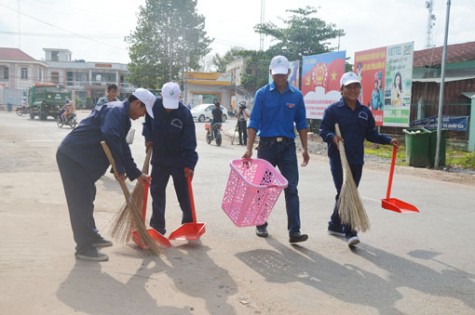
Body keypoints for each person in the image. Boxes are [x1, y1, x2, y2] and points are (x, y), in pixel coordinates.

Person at [56, 88, 156, 262]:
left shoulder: (123, 118)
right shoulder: (115, 111)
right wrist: (118, 168)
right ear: (136, 103)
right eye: (143, 111)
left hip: (83, 161)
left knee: (88, 197)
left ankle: (91, 236)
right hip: (73, 157)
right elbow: (109, 135)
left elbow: (122, 147)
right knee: (80, 202)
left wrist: (135, 173)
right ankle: (84, 248)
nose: (142, 116)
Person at [319, 72, 399, 247]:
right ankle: (350, 232)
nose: (353, 90)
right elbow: (323, 130)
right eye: (349, 87)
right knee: (347, 192)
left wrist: (387, 140)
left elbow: (371, 134)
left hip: (357, 159)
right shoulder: (333, 110)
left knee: (344, 193)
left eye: (356, 86)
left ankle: (334, 224)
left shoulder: (364, 112)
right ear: (341, 89)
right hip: (339, 158)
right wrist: (332, 136)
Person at [243, 55, 310, 244]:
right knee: (262, 187)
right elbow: (254, 122)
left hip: (288, 147)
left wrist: (305, 148)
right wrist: (249, 148)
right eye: (276, 74)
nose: (279, 78)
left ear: (288, 73)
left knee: (292, 188)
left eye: (283, 74)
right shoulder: (262, 94)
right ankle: (261, 221)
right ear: (271, 72)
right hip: (266, 147)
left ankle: (294, 231)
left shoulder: (296, 96)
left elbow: (302, 123)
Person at [142, 82, 198, 236]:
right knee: (157, 192)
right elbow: (147, 125)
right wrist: (148, 138)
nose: (168, 108)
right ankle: (158, 226)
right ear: (161, 96)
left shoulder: (185, 114)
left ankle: (188, 224)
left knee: (183, 193)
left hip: (179, 160)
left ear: (179, 98)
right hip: (159, 158)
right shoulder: (154, 108)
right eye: (167, 103)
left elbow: (190, 142)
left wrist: (190, 165)